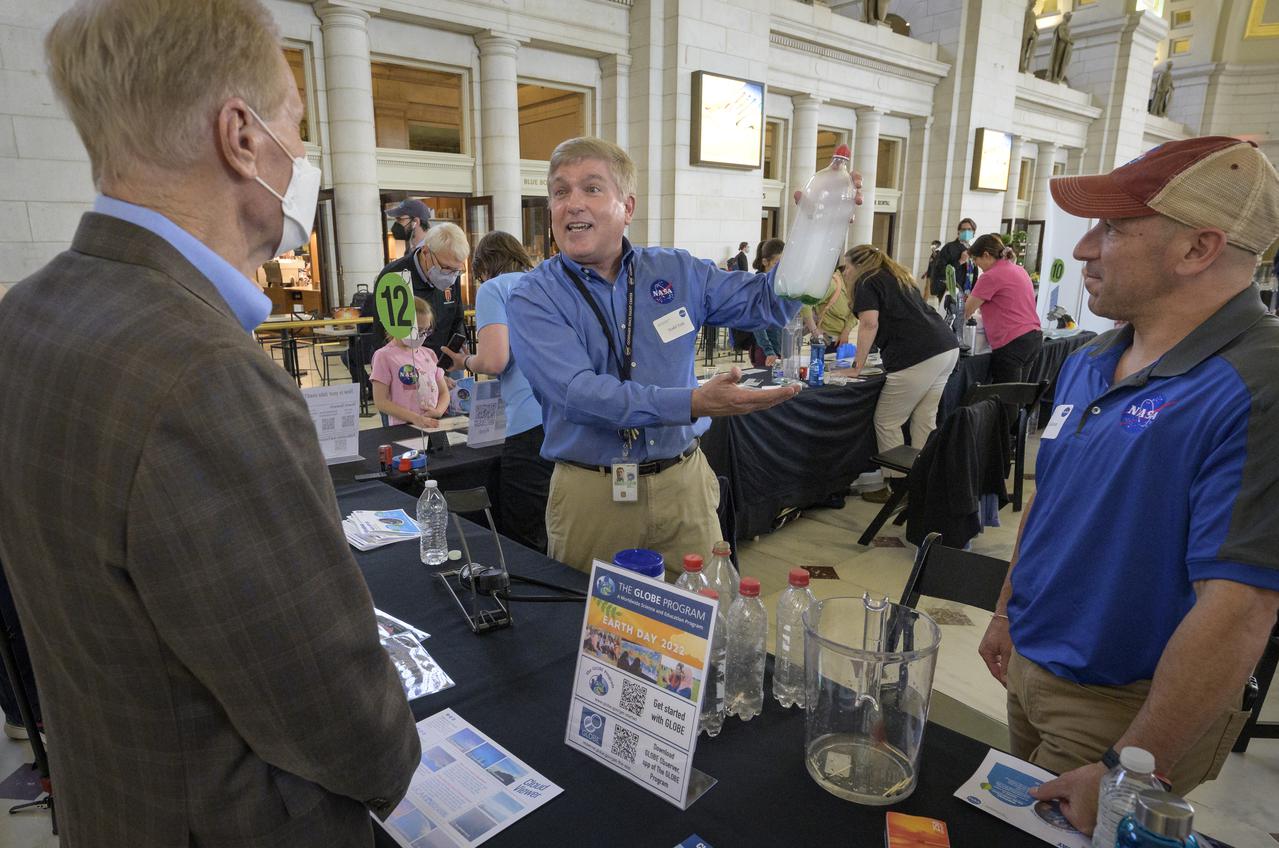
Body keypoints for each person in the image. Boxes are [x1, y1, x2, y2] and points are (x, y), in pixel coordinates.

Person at [0, 1, 420, 845]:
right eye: (296, 122)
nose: (301, 154)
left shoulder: (25, 314)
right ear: (241, 136)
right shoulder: (203, 376)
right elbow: (343, 725)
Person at [977, 136, 1279, 835]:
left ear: (1197, 249)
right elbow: (1051, 500)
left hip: (1121, 706)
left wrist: (1126, 771)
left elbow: (1239, 606)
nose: (1083, 249)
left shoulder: (1256, 386)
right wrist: (1004, 612)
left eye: (1111, 229)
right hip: (1030, 660)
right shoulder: (1091, 358)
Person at [509, 137, 855, 573]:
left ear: (627, 206)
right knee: (594, 633)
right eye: (560, 192)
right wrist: (692, 403)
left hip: (683, 485)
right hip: (592, 496)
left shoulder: (675, 271)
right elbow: (579, 395)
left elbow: (769, 302)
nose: (572, 203)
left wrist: (817, 233)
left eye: (591, 188)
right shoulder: (535, 296)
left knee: (703, 626)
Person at [442, 231, 555, 553]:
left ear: (484, 268)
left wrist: (464, 360)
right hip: (568, 416)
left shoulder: (496, 288)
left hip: (529, 421)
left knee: (525, 533)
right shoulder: (548, 284)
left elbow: (495, 360)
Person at [843, 244, 960, 504]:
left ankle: (899, 486)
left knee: (887, 421)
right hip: (945, 348)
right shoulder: (896, 276)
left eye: (846, 266)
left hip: (918, 354)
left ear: (858, 264)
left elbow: (869, 323)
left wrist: (857, 367)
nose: (845, 272)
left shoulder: (866, 280)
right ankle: (922, 482)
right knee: (923, 419)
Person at [361, 220, 470, 370]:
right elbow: (388, 339)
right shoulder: (395, 277)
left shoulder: (452, 274)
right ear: (426, 252)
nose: (451, 276)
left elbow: (456, 318)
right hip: (408, 370)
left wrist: (458, 350)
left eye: (456, 270)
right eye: (446, 268)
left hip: (445, 363)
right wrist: (429, 373)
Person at [964, 233, 1043, 384]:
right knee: (1019, 395)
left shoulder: (990, 276)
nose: (976, 264)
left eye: (975, 259)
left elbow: (966, 311)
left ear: (986, 255)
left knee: (1005, 400)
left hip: (1011, 343)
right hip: (1033, 338)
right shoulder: (1020, 270)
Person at [370, 295, 450, 427]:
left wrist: (438, 412)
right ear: (399, 324)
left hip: (432, 423)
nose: (422, 336)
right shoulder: (384, 356)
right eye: (417, 330)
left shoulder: (429, 354)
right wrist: (415, 418)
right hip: (402, 427)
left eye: (426, 330)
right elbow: (381, 401)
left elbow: (444, 392)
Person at [749, 238, 786, 368]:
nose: (780, 269)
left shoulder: (778, 285)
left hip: (779, 348)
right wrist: (769, 351)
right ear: (765, 262)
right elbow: (757, 322)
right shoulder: (758, 285)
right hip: (765, 351)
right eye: (777, 264)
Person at [930, 217, 977, 301]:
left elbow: (973, 273)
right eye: (963, 229)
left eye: (969, 229)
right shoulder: (949, 247)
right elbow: (941, 270)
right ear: (958, 232)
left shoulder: (972, 250)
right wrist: (960, 261)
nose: (966, 232)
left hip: (967, 293)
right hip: (950, 291)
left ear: (973, 232)